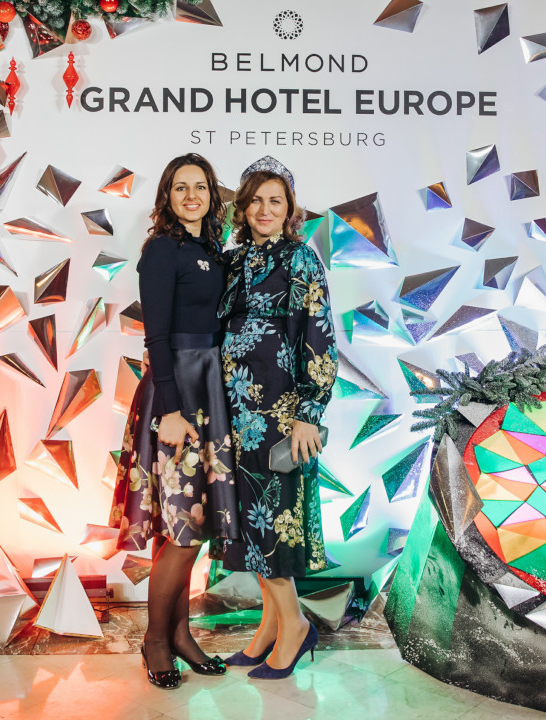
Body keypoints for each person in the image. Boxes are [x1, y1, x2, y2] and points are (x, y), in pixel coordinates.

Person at [109, 153, 239, 689]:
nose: (192, 196)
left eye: (200, 187)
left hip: (211, 392)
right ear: (167, 196)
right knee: (184, 529)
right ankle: (155, 641)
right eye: (181, 187)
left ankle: (181, 634)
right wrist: (168, 409)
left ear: (212, 194)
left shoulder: (213, 250)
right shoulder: (162, 250)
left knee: (191, 527)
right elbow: (156, 336)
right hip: (177, 394)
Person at [219, 156, 337, 679]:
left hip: (279, 413)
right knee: (250, 520)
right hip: (234, 412)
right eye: (256, 200)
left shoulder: (300, 259)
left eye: (276, 200)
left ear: (290, 209)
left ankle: (295, 627)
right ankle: (269, 626)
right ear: (242, 207)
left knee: (273, 518)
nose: (265, 209)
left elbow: (319, 332)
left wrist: (309, 411)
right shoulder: (233, 260)